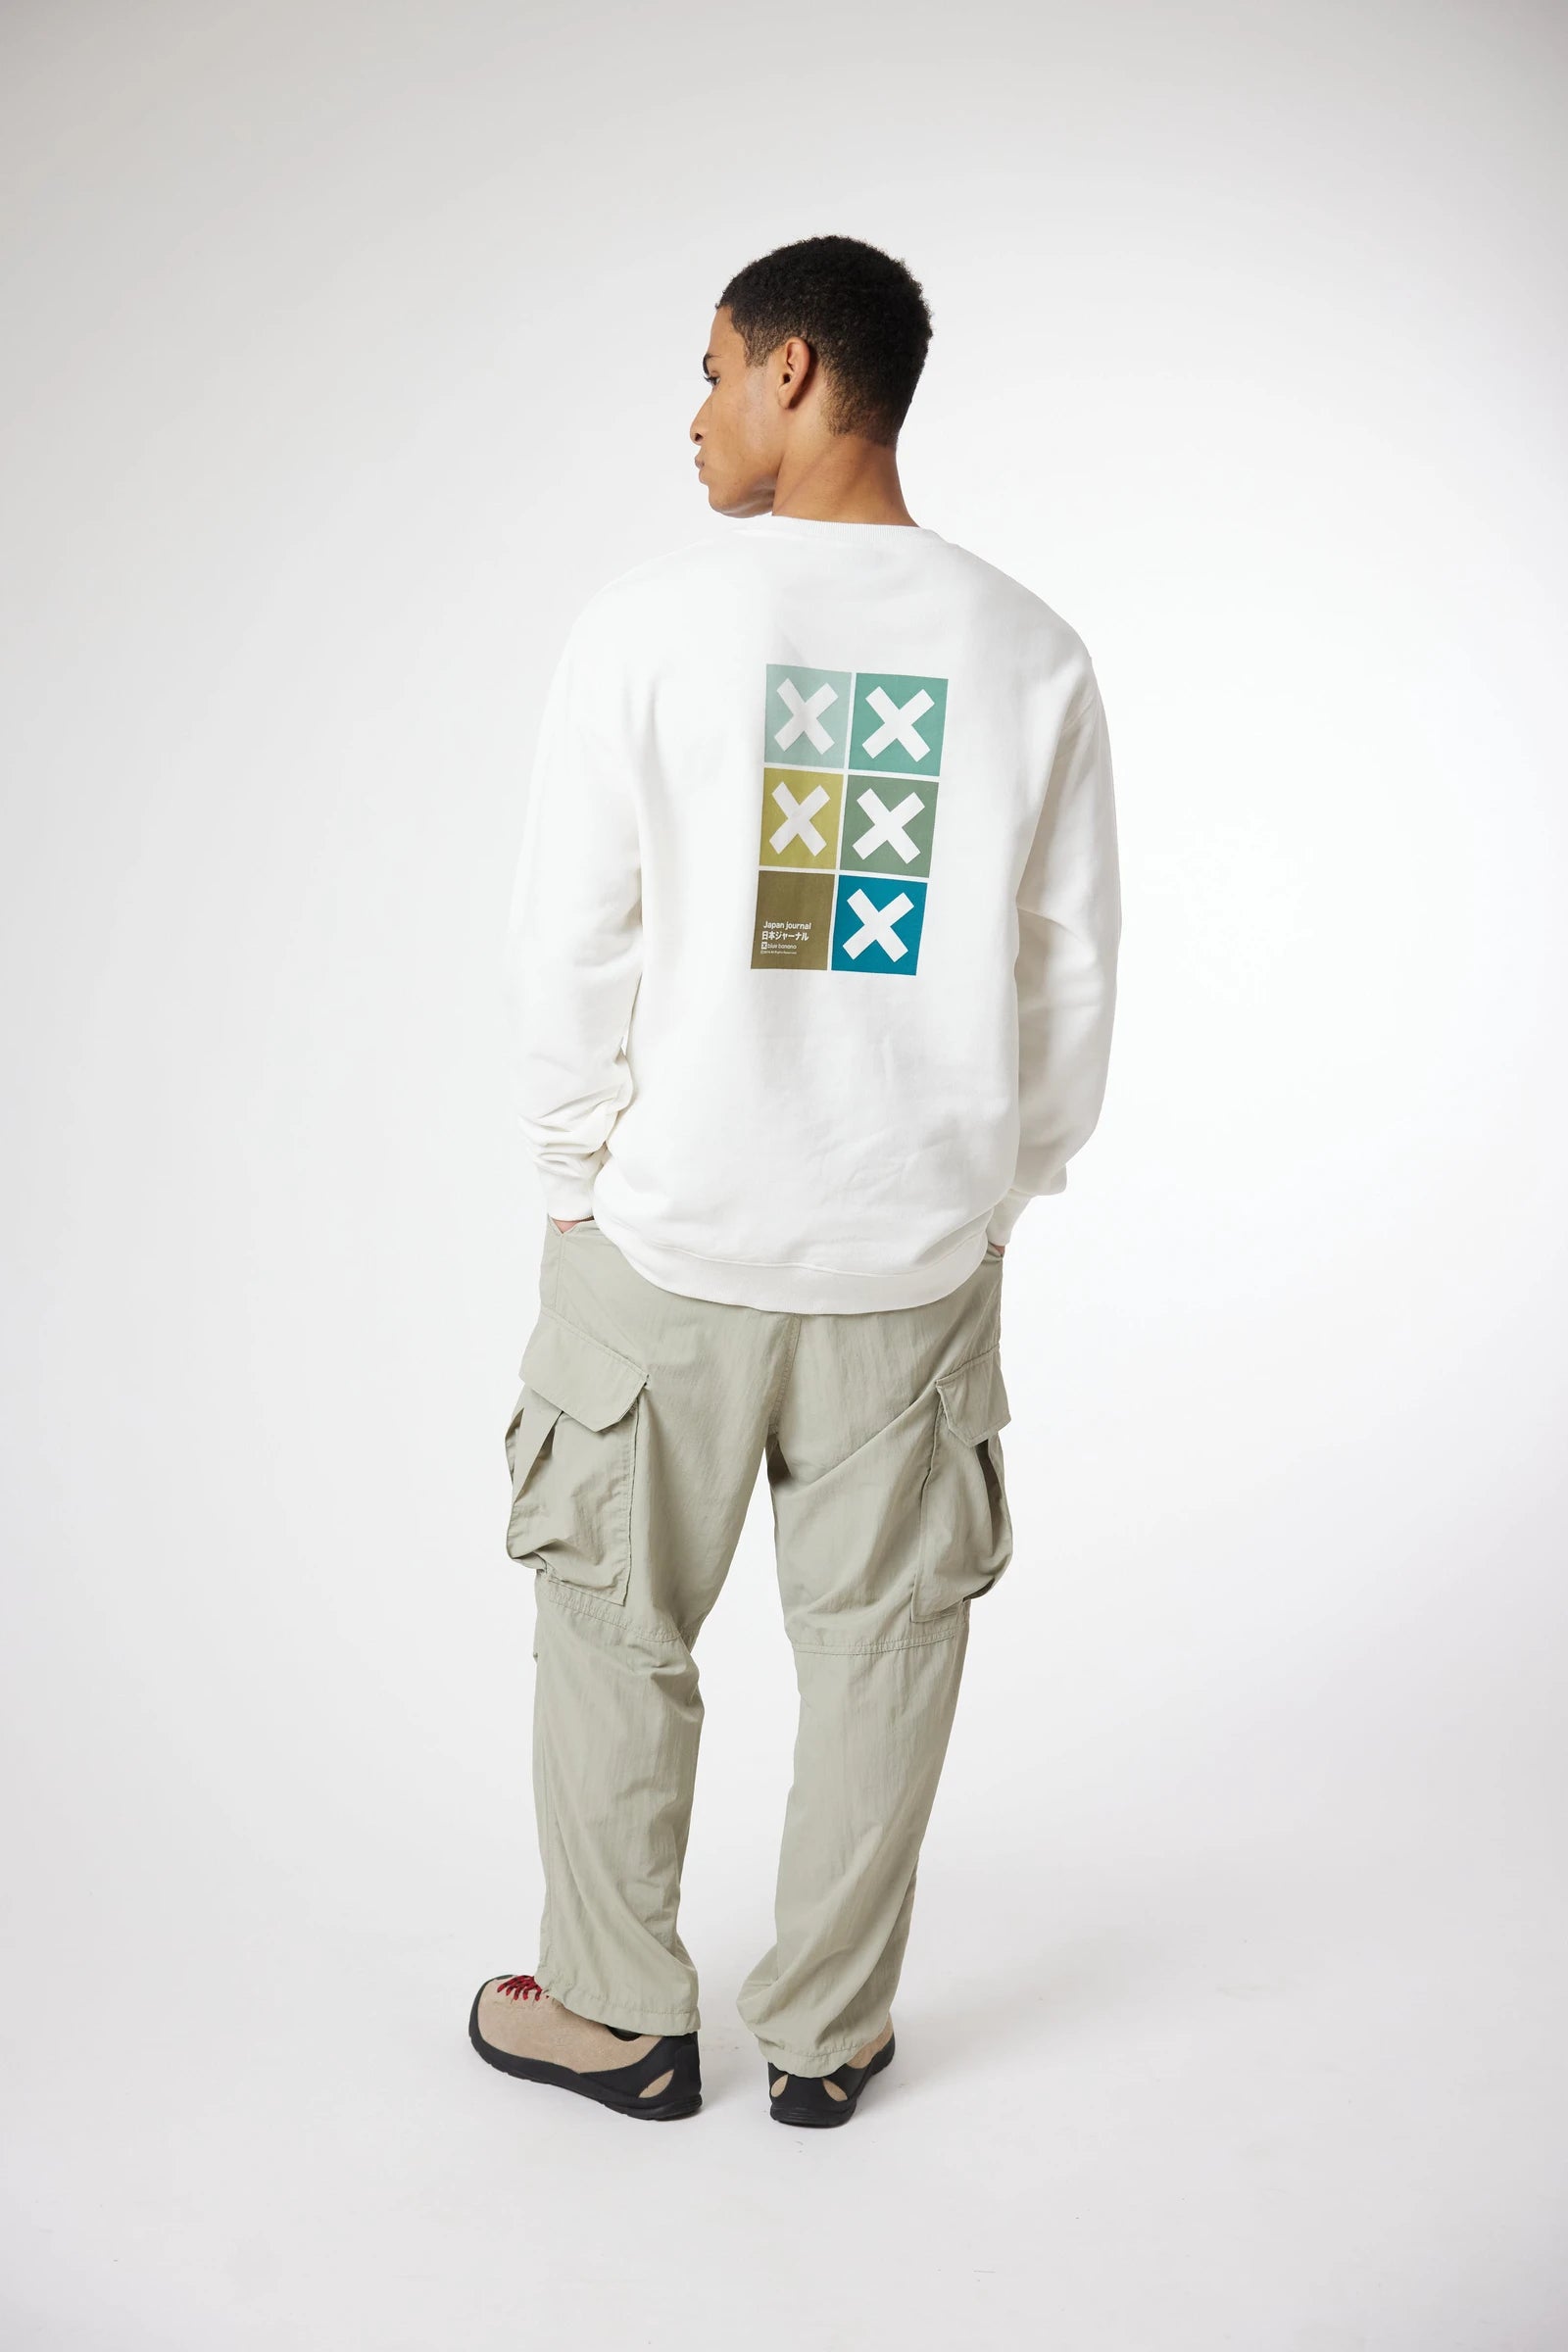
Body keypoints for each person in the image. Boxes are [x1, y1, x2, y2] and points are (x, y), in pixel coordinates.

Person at [469, 234, 1122, 2128]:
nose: (694, 415)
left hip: (667, 1242)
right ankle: (830, 2039)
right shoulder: (1029, 649)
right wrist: (1000, 1191)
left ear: (797, 372)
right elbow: (1069, 968)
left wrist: (571, 1171)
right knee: (885, 1653)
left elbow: (568, 938)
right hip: (909, 1256)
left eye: (712, 370)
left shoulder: (650, 623)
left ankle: (618, 2016)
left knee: (612, 1628)